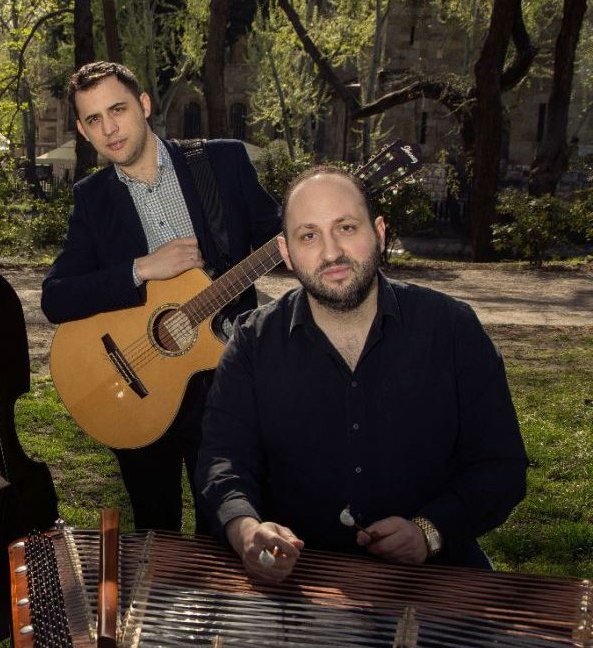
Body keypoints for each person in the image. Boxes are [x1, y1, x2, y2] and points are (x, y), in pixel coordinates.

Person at [196, 166, 528, 581]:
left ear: (380, 233)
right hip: (300, 580)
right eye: (309, 236)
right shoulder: (252, 343)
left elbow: (500, 466)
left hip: (436, 577)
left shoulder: (453, 330)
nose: (331, 252)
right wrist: (246, 529)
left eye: (346, 227)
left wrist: (429, 532)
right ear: (286, 252)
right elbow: (223, 459)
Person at [40, 61, 281, 533]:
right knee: (155, 532)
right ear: (83, 131)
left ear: (145, 105)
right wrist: (142, 269)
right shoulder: (93, 198)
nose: (109, 129)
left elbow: (279, 235)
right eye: (93, 119)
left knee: (230, 527)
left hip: (225, 379)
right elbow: (55, 299)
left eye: (118, 110)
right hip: (140, 389)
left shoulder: (222, 163)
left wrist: (319, 234)